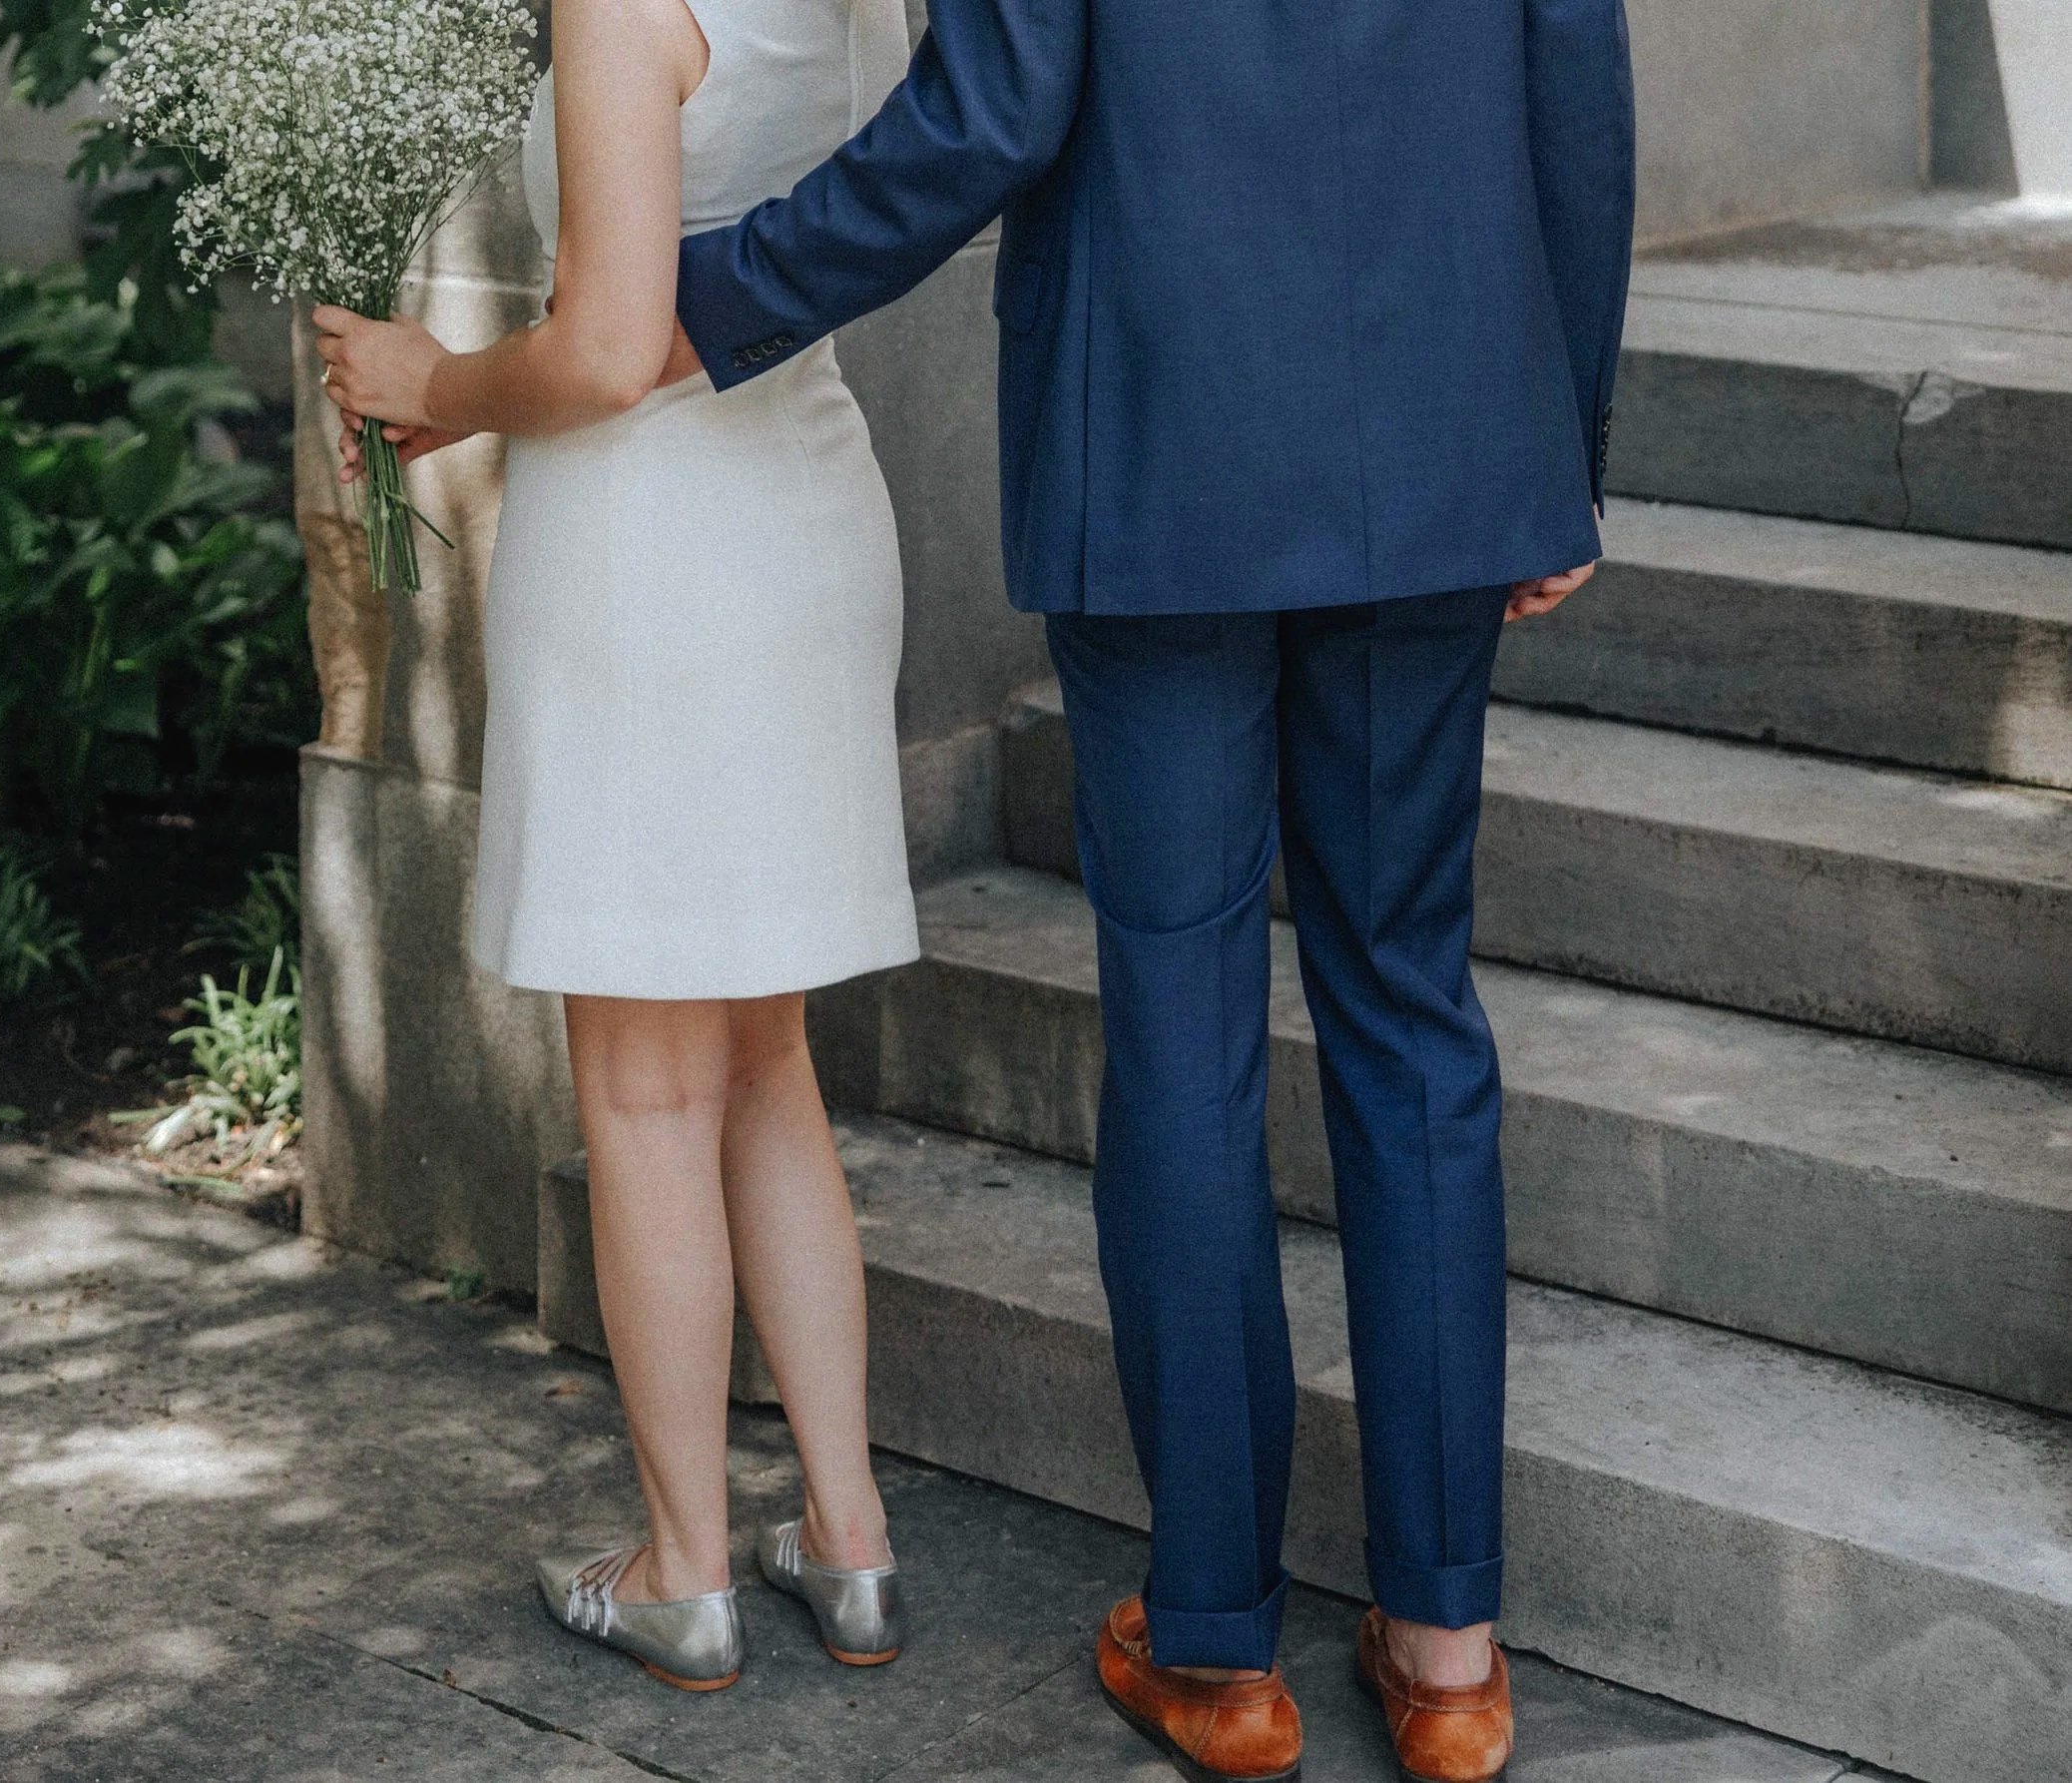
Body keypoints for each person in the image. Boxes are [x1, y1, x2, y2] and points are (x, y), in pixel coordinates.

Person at [661, 0, 1637, 1778]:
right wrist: (1559, 440)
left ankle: (1215, 1653)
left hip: (1165, 429)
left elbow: (989, 114)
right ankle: (1447, 1652)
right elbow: (1575, 75)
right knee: (1411, 1007)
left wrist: (709, 290)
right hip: (1442, 423)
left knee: (1181, 1029)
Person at [309, 0, 919, 1694]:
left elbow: (599, 346)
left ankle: (685, 1569)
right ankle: (850, 1537)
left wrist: (431, 379)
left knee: (647, 1087)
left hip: (657, 544)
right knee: (766, 1060)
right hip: (807, 510)